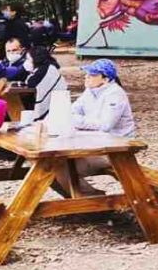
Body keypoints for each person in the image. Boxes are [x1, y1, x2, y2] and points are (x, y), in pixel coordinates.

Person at [56, 59, 135, 196]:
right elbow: (71, 110)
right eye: (87, 74)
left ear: (105, 79)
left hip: (115, 150)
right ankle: (88, 199)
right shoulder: (91, 91)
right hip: (94, 144)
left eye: (92, 75)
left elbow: (105, 125)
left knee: (57, 168)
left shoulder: (115, 94)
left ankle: (93, 201)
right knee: (52, 165)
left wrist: (76, 121)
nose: (86, 77)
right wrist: (73, 118)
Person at [25, 45, 68, 121]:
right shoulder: (47, 66)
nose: (27, 62)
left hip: (57, 107)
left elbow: (31, 82)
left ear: (36, 58)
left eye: (28, 59)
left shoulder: (46, 69)